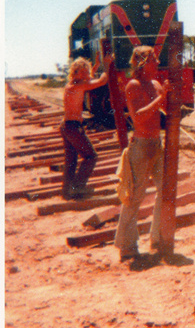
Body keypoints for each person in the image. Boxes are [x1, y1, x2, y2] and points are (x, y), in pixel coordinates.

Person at [114, 46, 169, 261]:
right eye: (153, 60)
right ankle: (126, 245)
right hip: (141, 146)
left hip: (156, 143)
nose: (157, 63)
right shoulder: (134, 85)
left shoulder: (155, 84)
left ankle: (157, 237)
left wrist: (167, 100)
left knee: (165, 189)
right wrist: (161, 99)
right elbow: (138, 117)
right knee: (135, 197)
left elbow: (159, 110)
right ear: (141, 63)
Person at [60, 53, 111, 200]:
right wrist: (107, 65)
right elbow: (101, 81)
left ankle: (68, 190)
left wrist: (94, 66)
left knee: (71, 161)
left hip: (66, 126)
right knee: (91, 156)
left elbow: (89, 79)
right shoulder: (78, 85)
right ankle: (77, 188)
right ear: (78, 72)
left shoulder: (71, 84)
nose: (88, 75)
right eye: (85, 71)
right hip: (73, 127)